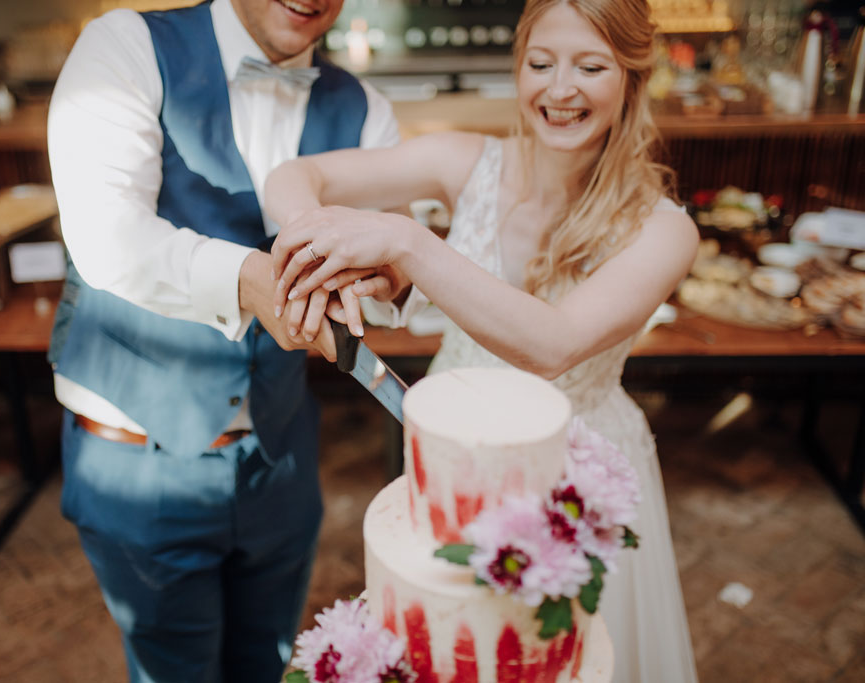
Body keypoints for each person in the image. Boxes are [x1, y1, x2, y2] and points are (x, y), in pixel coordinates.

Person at [263, 1, 700, 681]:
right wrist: (322, 258)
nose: (559, 90)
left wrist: (408, 243)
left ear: (632, 78)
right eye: (540, 63)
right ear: (517, 66)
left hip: (576, 476)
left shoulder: (665, 229)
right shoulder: (465, 161)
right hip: (453, 459)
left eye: (590, 66)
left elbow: (552, 343)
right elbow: (295, 177)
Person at [45, 0, 401, 680]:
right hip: (139, 460)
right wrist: (250, 278)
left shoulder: (366, 110)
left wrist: (382, 281)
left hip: (282, 457)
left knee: (268, 661)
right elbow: (106, 235)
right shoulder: (125, 46)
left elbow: (389, 258)